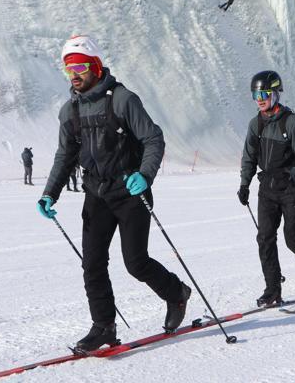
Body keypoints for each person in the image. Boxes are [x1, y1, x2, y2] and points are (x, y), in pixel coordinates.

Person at [36, 35, 191, 351]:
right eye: (68, 69)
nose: (74, 74)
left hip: (130, 192)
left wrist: (144, 176)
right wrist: (50, 193)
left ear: (94, 66)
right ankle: (103, 326)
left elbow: (153, 140)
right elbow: (65, 156)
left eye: (79, 66)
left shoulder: (122, 100)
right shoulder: (70, 111)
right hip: (96, 194)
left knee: (136, 263)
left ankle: (176, 294)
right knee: (92, 263)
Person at [238, 70, 295, 306]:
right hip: (267, 189)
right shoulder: (256, 124)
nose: (260, 98)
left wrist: (294, 175)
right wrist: (244, 184)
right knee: (265, 238)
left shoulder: (290, 122)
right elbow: (248, 157)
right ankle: (273, 289)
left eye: (264, 93)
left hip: (291, 190)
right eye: (256, 94)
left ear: (275, 93)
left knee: (292, 239)